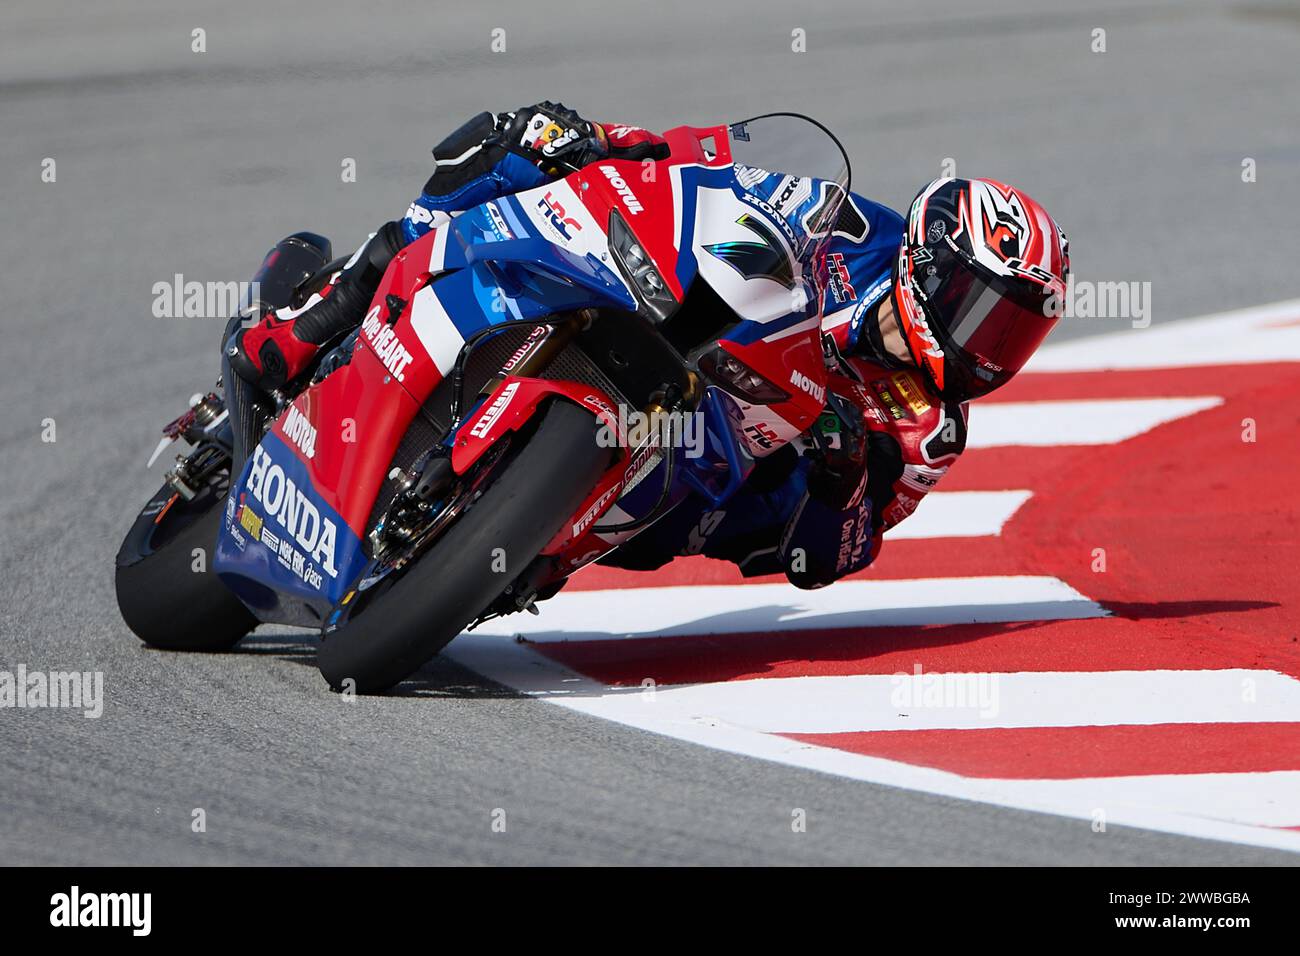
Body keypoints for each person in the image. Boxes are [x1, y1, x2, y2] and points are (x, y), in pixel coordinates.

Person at [229, 102, 1070, 590]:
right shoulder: (849, 228)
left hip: (712, 474)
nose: (988, 347)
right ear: (928, 265)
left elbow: (824, 562)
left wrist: (844, 478)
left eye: (1013, 333)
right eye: (982, 313)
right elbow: (716, 172)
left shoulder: (929, 431)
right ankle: (304, 329)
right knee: (512, 150)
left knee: (688, 519)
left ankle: (515, 549)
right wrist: (599, 138)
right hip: (696, 336)